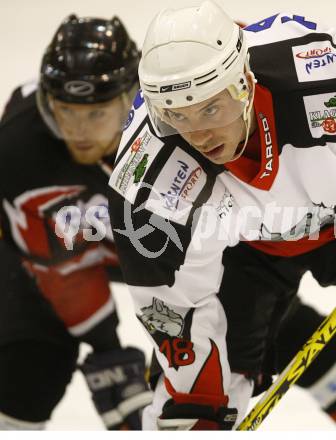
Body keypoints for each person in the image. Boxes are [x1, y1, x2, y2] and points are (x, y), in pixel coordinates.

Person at [108, 0, 336, 430]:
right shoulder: (148, 184)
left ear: (244, 84)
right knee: (187, 421)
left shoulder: (334, 81)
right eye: (176, 116)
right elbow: (170, 301)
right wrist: (198, 391)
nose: (198, 135)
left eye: (210, 108)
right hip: (243, 249)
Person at [0, 15, 152, 430]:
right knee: (29, 367)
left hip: (149, 251)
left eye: (97, 113)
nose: (78, 131)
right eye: (67, 112)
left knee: (273, 330)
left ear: (131, 100)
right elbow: (60, 270)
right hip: (49, 257)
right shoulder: (18, 149)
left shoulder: (176, 130)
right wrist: (109, 355)